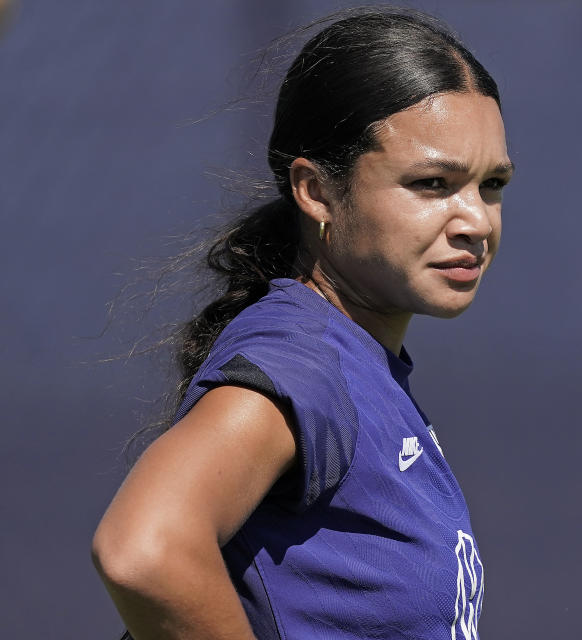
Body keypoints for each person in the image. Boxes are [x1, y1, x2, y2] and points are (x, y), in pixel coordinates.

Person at [91, 8, 512, 639]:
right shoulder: (302, 360)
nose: (475, 220)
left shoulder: (359, 364)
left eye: (492, 185)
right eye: (432, 183)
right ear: (315, 190)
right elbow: (144, 550)